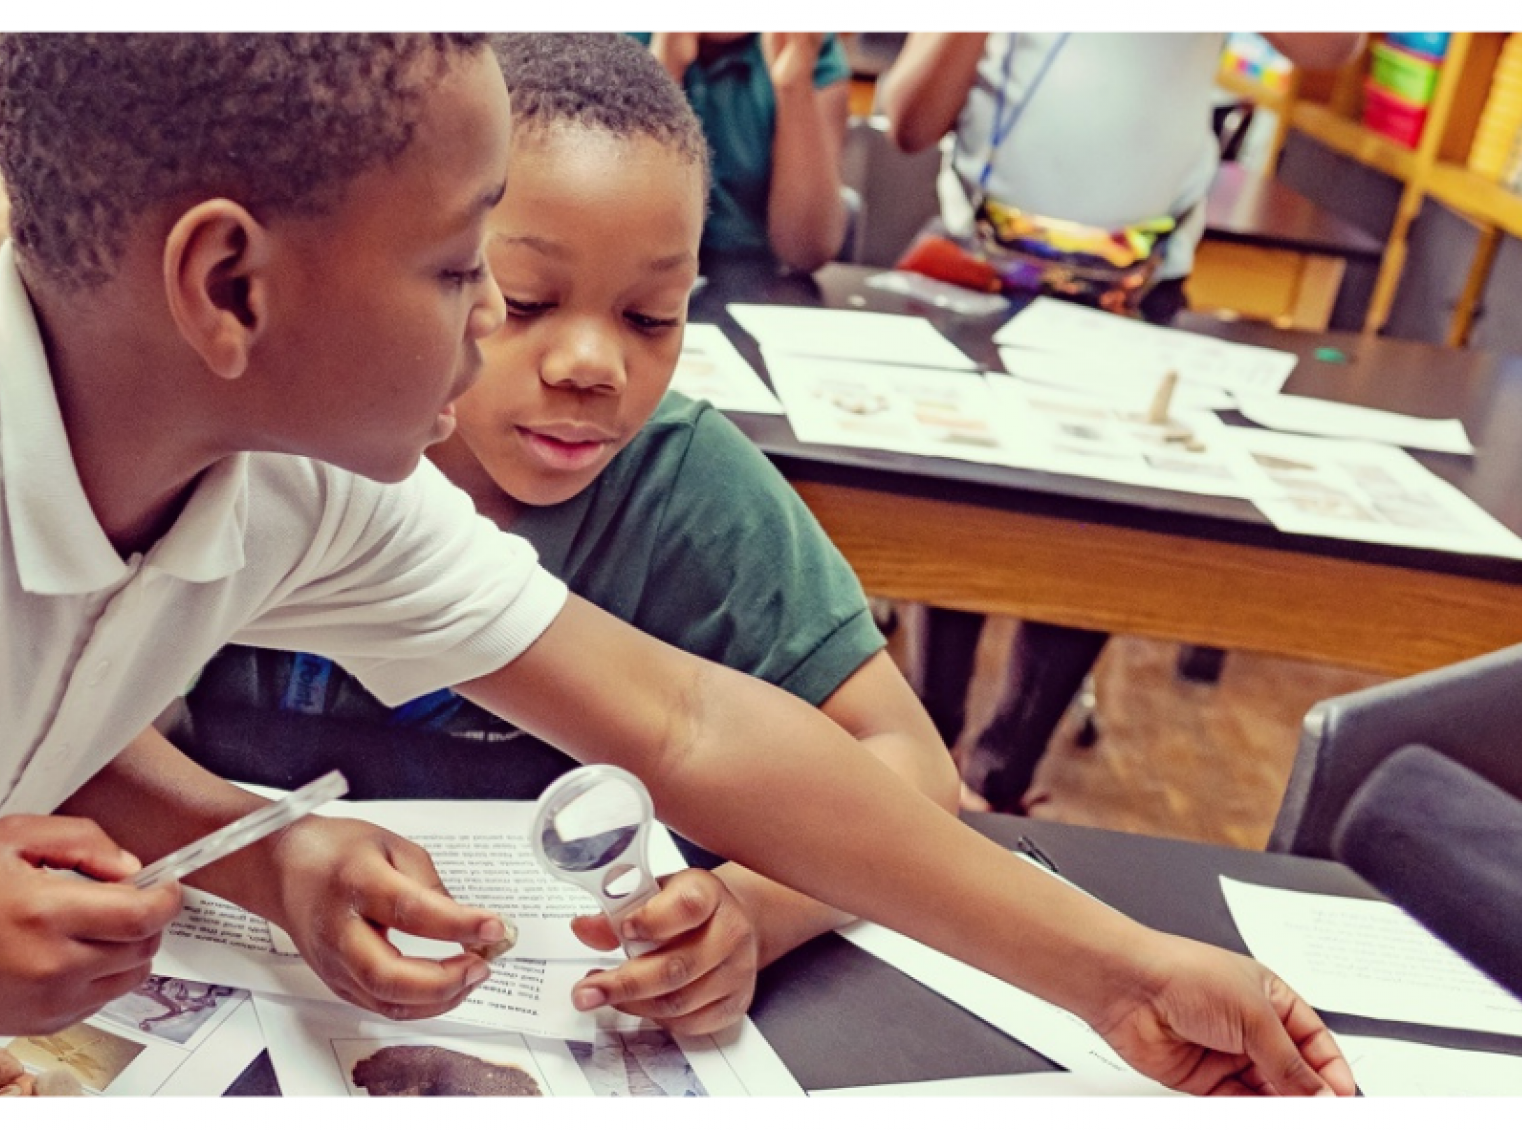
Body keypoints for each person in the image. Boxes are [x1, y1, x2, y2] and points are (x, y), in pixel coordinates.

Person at [0, 33, 1352, 1097]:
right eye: (454, 263)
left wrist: (1119, 972)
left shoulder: (296, 484)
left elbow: (688, 730)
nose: (493, 328)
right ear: (230, 288)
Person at [182, 31, 955, 1038]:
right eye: (528, 300)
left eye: (652, 316)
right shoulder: (268, 454)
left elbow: (912, 765)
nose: (592, 362)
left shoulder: (684, 484)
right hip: (240, 986)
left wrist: (756, 914)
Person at [880, 32, 1365, 812]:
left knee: (1098, 533)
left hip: (1136, 290)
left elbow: (1330, 46)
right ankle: (926, 756)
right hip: (986, 273)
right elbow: (906, 121)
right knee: (966, 509)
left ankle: (1002, 775)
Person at [628, 32, 850, 272]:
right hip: (645, 276)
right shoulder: (617, 38)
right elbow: (618, 234)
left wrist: (794, 86)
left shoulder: (807, 44)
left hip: (758, 281)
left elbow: (808, 252)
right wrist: (664, 68)